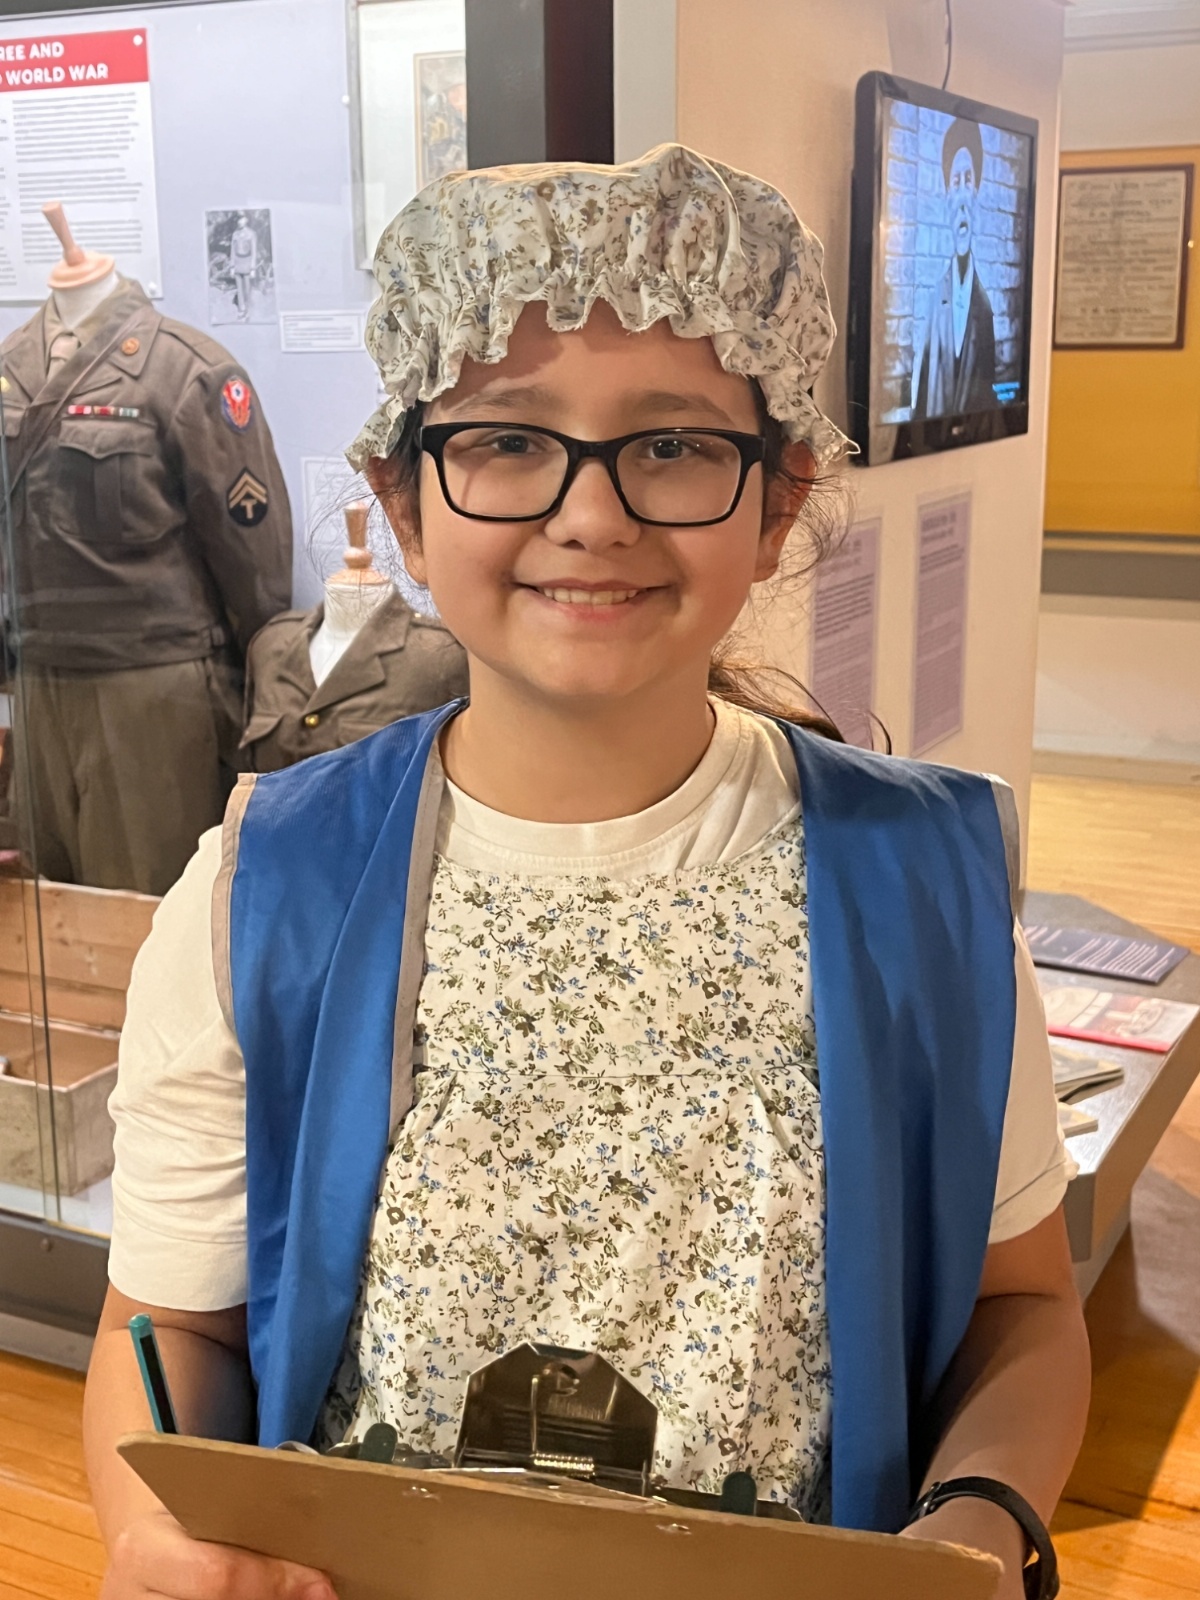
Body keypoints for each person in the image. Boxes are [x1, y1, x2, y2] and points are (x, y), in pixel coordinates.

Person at [84, 146, 1088, 1600]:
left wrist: (974, 1528)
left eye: (673, 446)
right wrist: (151, 1534)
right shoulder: (261, 890)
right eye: (507, 440)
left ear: (779, 500)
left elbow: (1021, 1305)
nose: (593, 514)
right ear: (406, 502)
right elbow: (174, 1324)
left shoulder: (925, 887)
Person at [913, 116, 998, 420]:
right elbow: (920, 402)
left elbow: (991, 410)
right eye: (956, 182)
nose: (962, 198)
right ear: (947, 198)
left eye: (968, 181)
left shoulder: (985, 309)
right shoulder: (935, 302)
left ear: (976, 195)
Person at [229, 214, 257, 321]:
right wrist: (232, 266)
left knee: (247, 289)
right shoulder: (235, 234)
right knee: (239, 289)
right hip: (237, 263)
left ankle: (248, 311)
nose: (239, 222)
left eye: (242, 219)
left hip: (247, 263)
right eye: (238, 219)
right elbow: (232, 251)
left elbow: (254, 251)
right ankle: (241, 310)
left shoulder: (251, 234)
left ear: (246, 220)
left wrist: (253, 268)